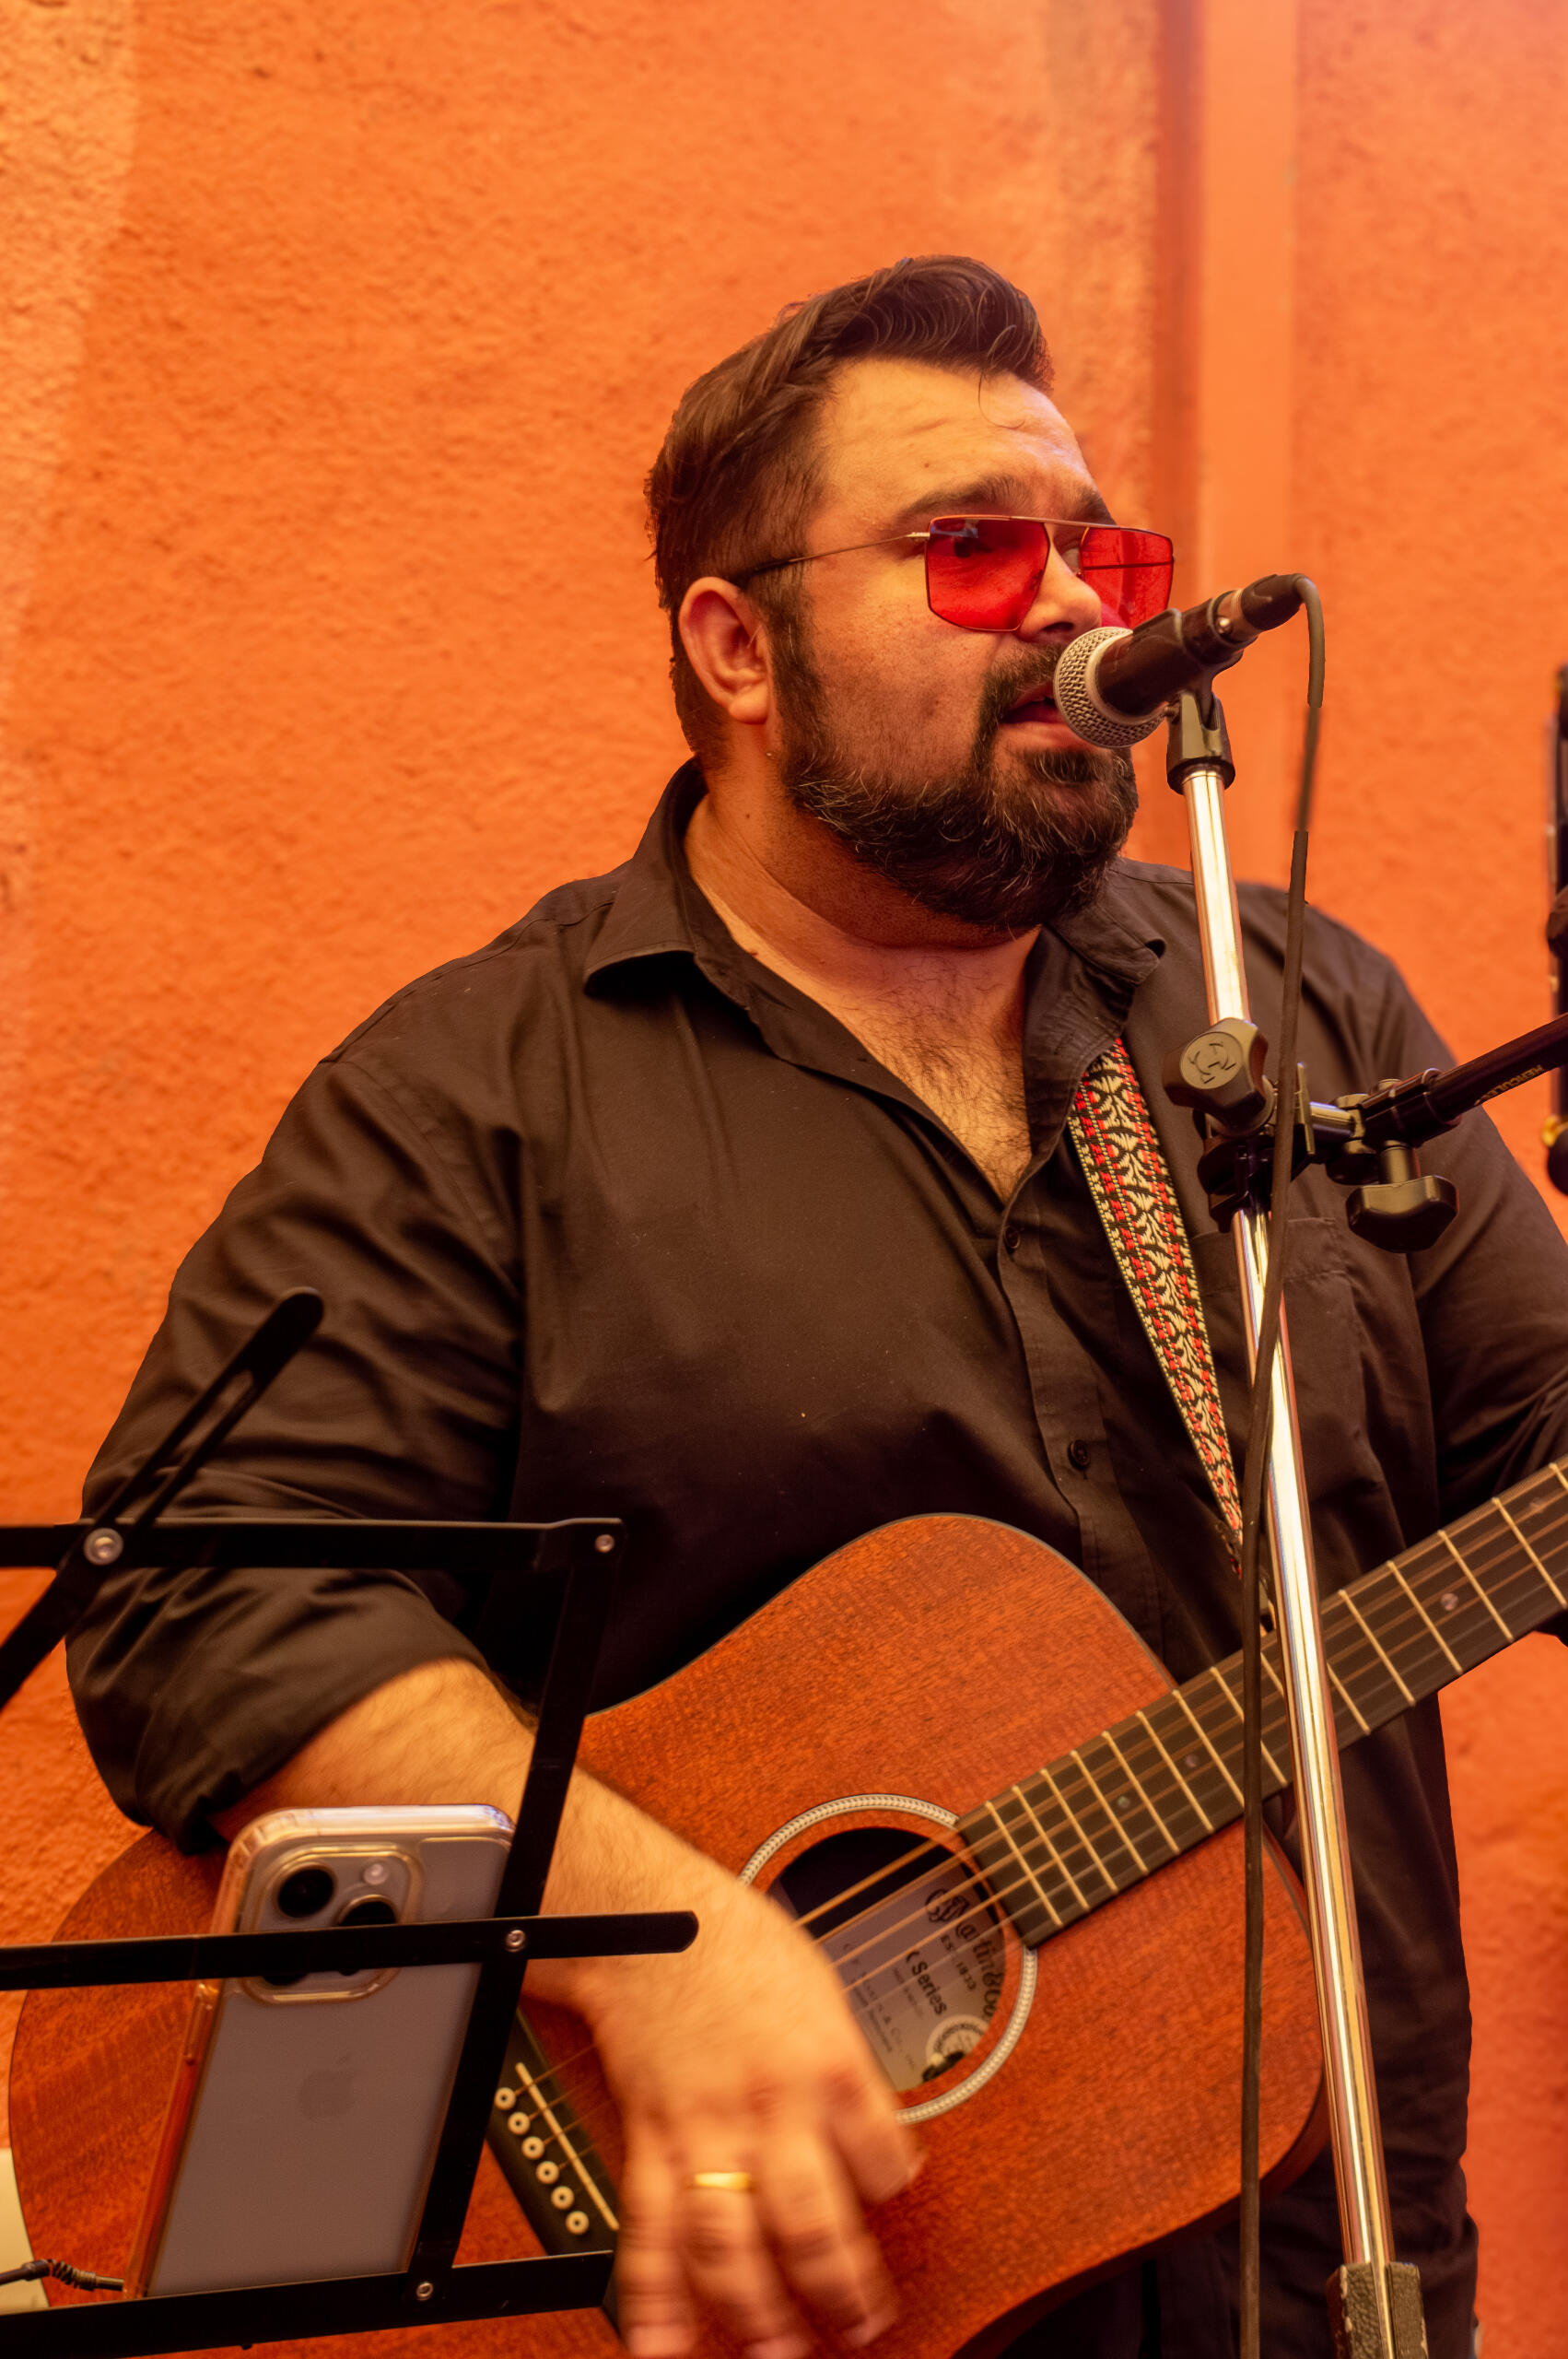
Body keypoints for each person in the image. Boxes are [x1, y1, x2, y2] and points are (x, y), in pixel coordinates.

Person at [70, 256, 1568, 2359]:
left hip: (1313, 2269)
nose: (1073, 604)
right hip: (740, 2301)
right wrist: (654, 1940)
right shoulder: (485, 1097)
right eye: (972, 550)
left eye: (1097, 550)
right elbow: (203, 1597)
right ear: (735, 644)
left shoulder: (1292, 1017)